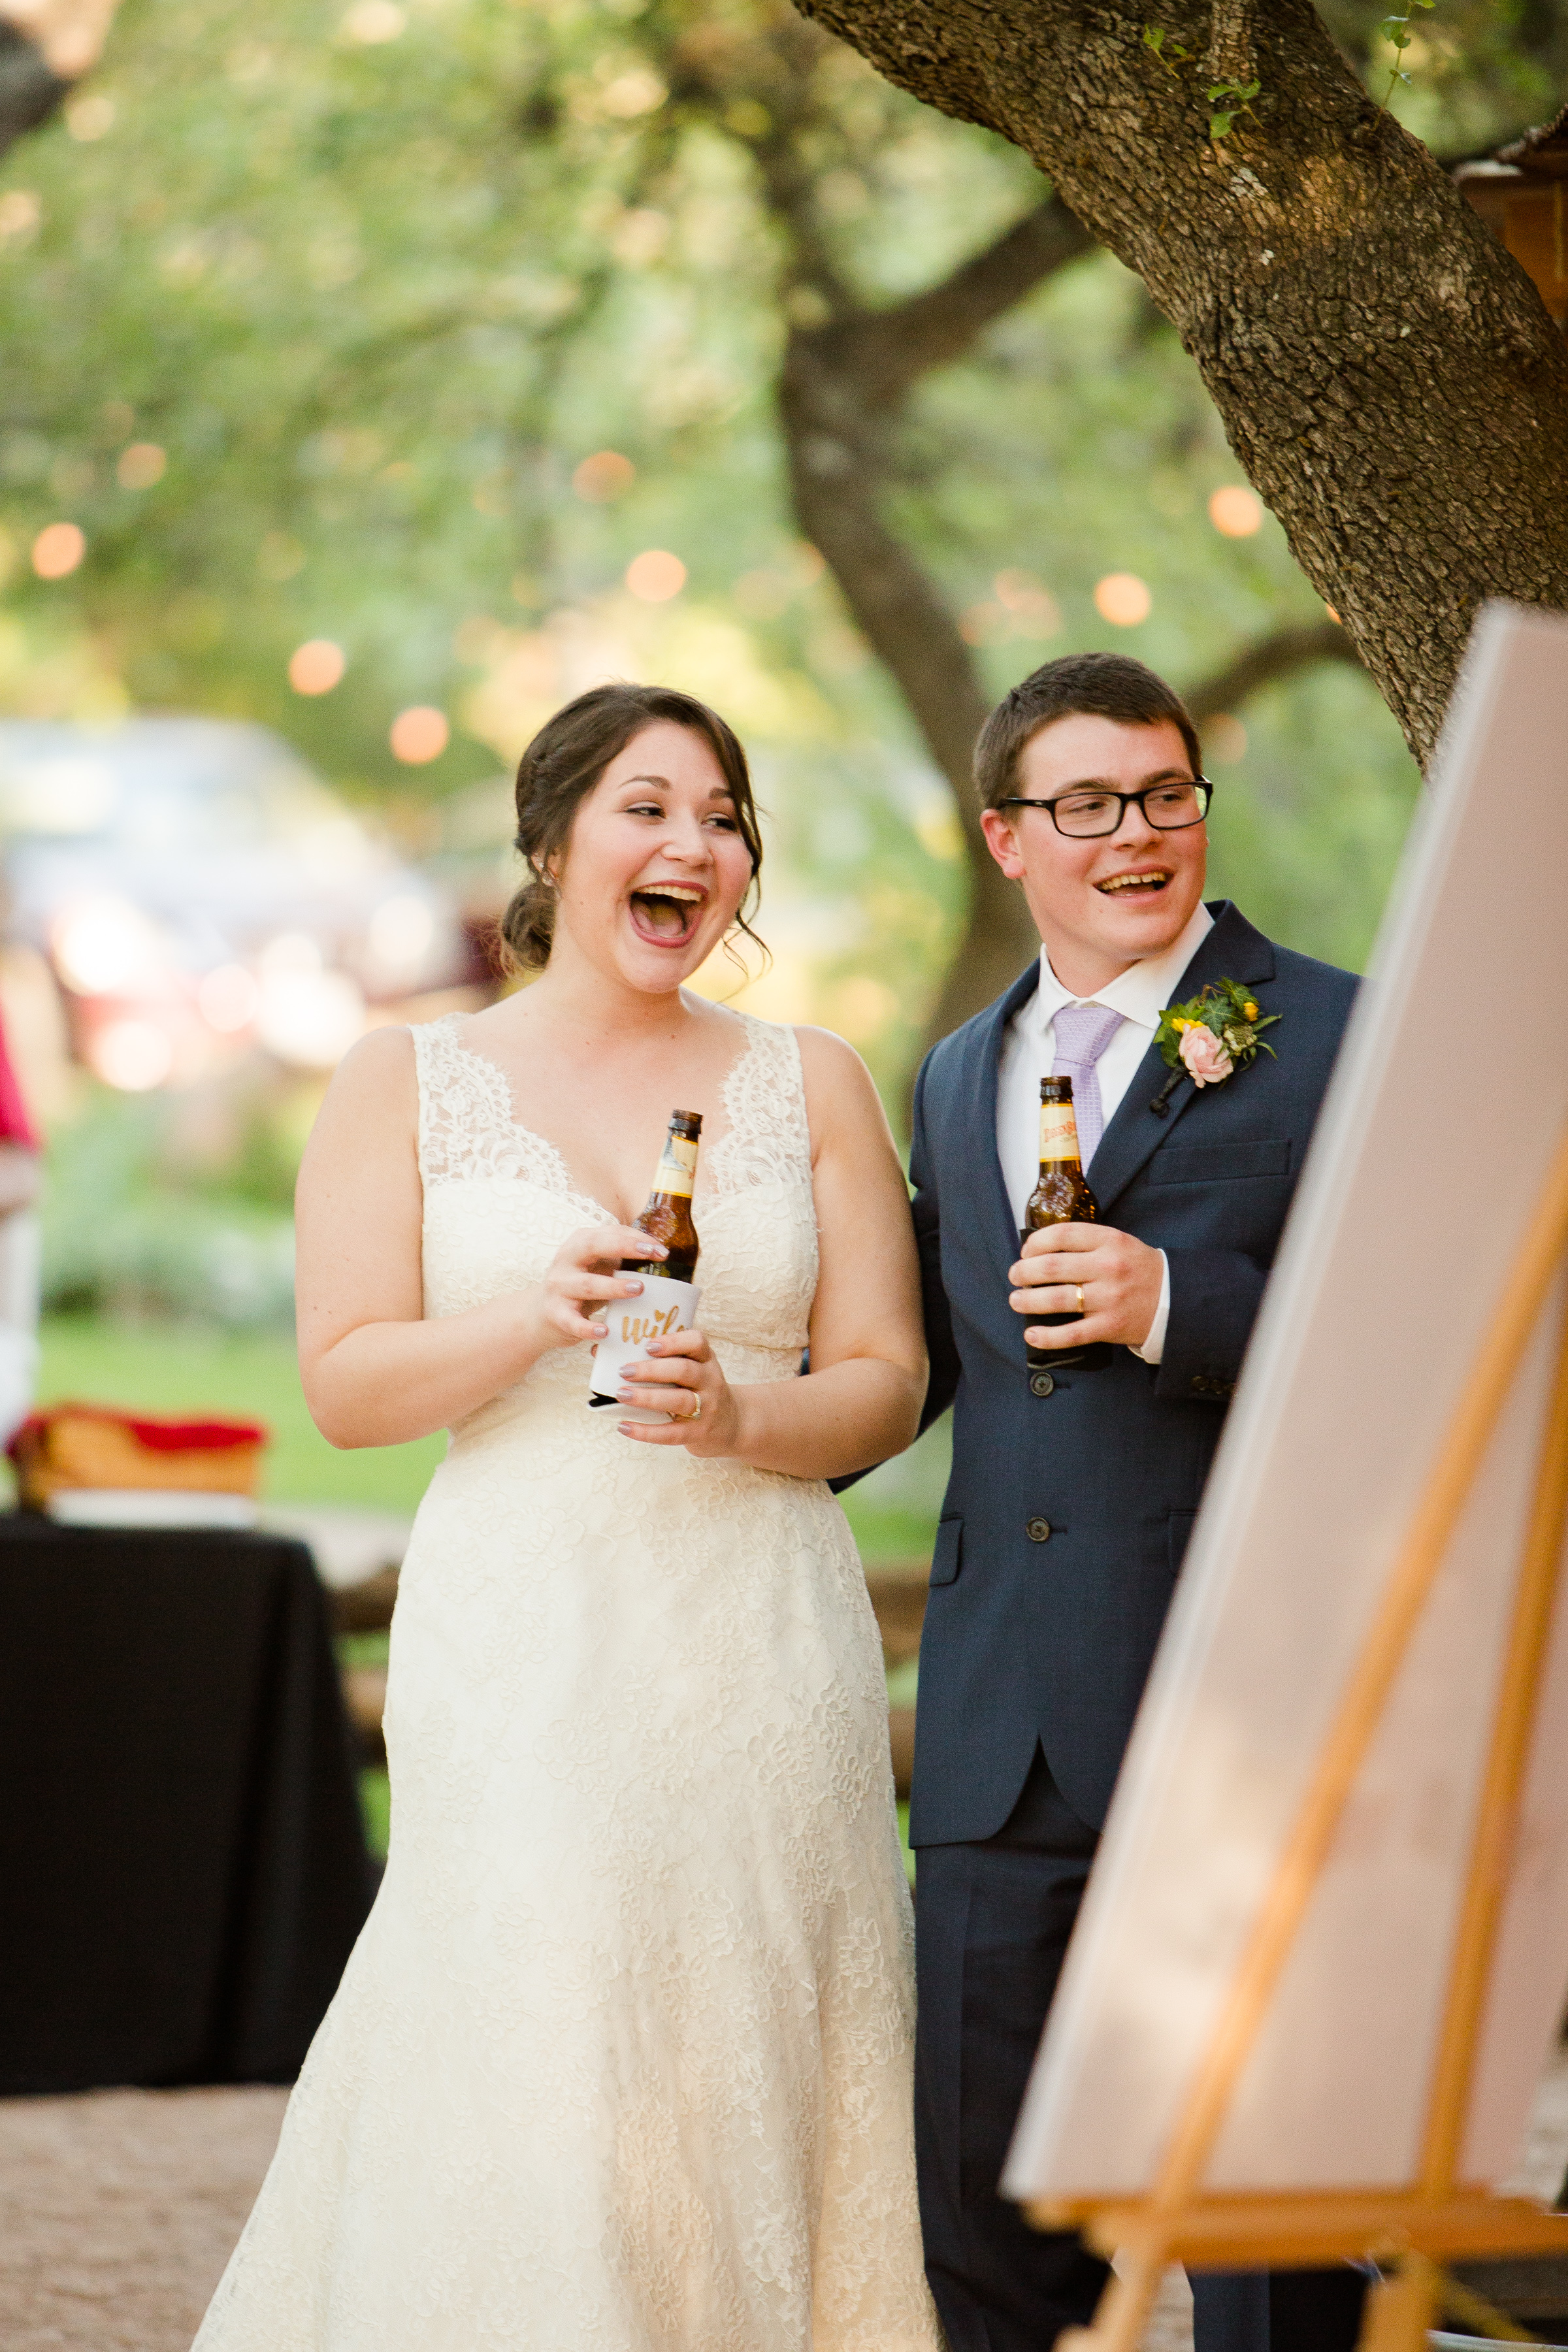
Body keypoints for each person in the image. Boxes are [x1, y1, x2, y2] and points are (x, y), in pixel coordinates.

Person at [195, 683, 941, 2352]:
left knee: (754, 2013)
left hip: (757, 1627)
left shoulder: (813, 1079)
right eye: (649, 808)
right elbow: (348, 1388)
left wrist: (744, 1417)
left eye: (725, 817)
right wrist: (528, 1314)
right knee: (535, 2016)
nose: (696, 844)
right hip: (523, 1630)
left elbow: (887, 1381)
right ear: (552, 844)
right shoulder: (404, 1077)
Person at [906, 652, 1365, 2352]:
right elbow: (913, 1359)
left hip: (1241, 1710)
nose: (1138, 834)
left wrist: (1176, 1302)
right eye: (1089, 804)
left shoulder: (1341, 1032)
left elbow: (1439, 1339)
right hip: (995, 1737)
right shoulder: (955, 1073)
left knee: (1263, 2250)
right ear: (1007, 838)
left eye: (1166, 794)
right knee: (984, 2238)